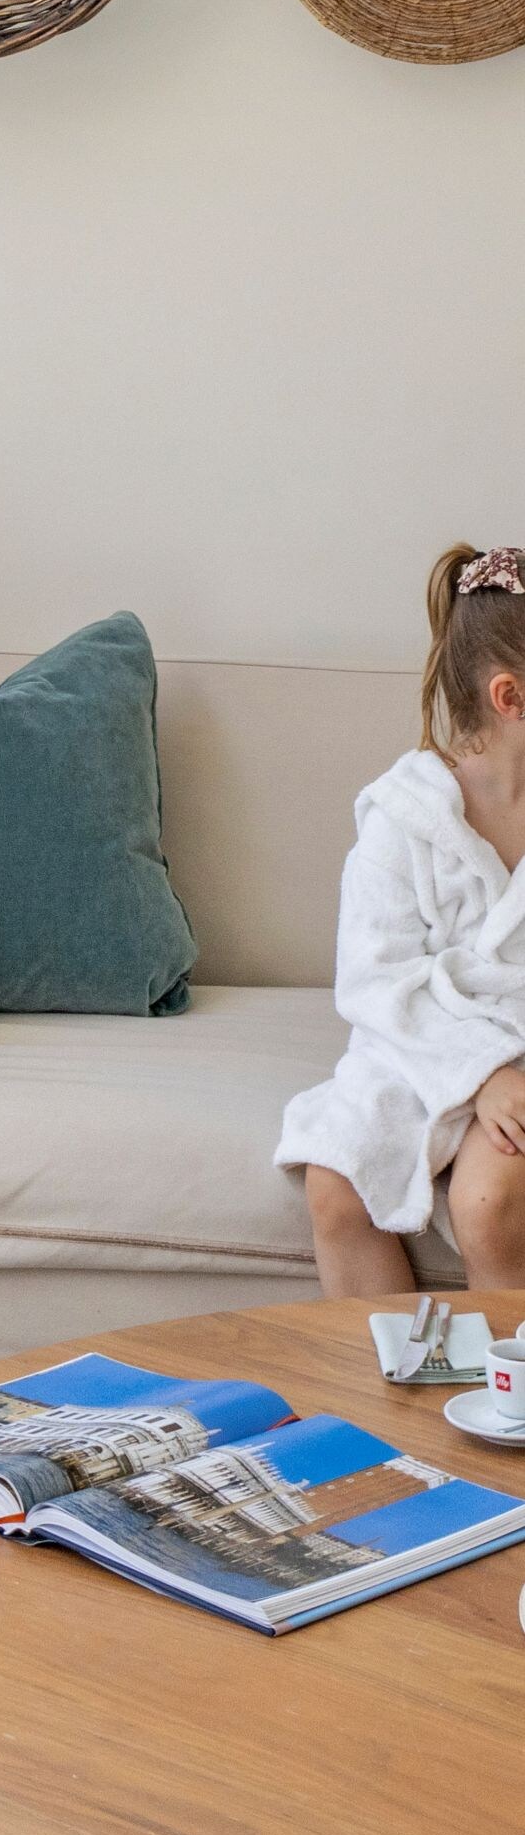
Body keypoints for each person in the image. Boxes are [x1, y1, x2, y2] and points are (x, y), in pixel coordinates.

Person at [274, 546, 525, 1297]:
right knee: (335, 1179)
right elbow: (376, 978)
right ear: (510, 697)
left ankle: (509, 1395)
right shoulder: (403, 817)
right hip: (427, 1041)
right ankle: (387, 1391)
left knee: (488, 1201)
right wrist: (475, 1069)